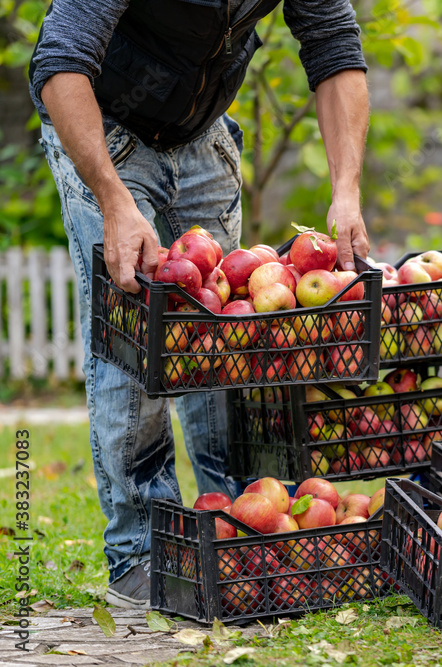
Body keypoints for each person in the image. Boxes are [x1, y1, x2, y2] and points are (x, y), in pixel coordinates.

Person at [29, 0, 371, 609]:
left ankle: (243, 528)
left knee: (226, 342)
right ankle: (141, 552)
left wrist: (346, 190)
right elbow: (59, 64)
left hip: (203, 137)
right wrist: (111, 199)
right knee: (133, 344)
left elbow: (333, 45)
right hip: (107, 134)